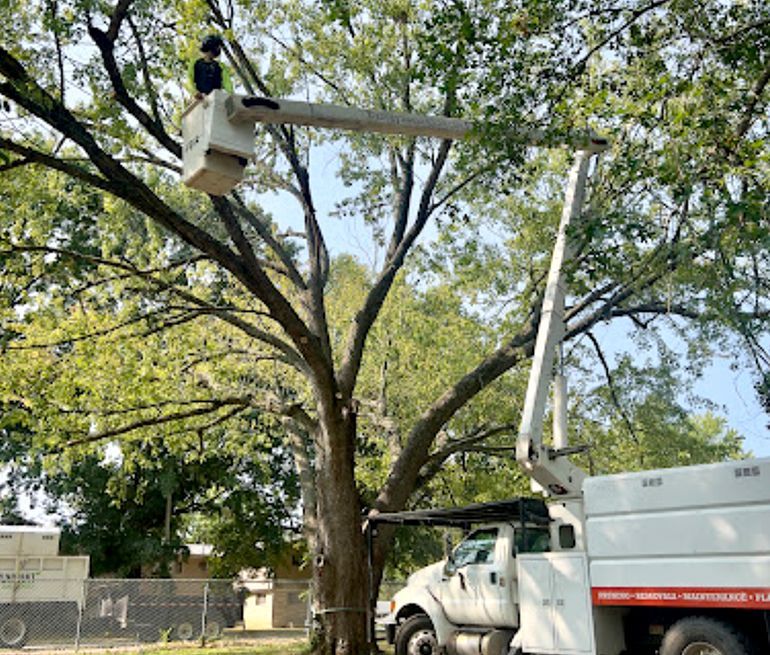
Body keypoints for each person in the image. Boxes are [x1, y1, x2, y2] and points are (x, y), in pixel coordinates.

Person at [188, 34, 233, 99]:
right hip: (200, 99)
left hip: (216, 98)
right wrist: (194, 92)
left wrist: (230, 95)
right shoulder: (195, 63)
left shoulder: (220, 66)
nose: (218, 49)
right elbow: (189, 79)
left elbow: (227, 83)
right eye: (216, 47)